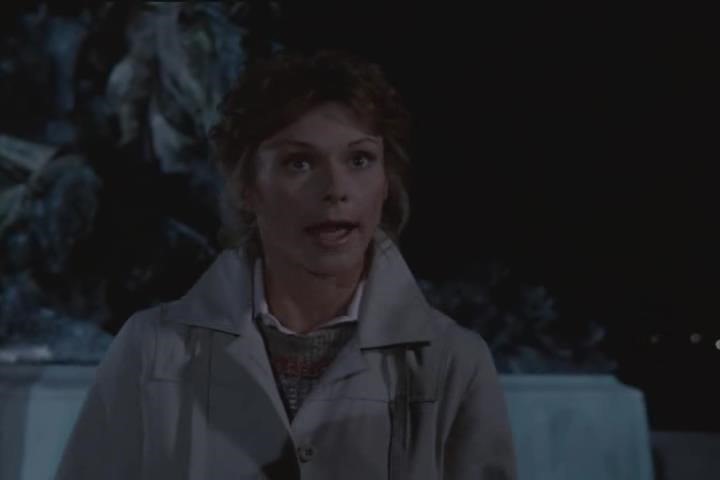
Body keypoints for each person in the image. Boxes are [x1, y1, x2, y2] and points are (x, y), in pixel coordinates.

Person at [56, 49, 517, 480]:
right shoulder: (150, 350)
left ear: (385, 183)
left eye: (359, 160)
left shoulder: (454, 362)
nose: (335, 189)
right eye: (299, 163)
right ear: (246, 187)